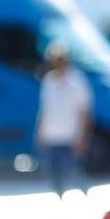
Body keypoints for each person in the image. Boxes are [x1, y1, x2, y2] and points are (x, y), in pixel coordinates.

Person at [34, 43, 91, 202]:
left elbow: (85, 112)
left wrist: (82, 137)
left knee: (73, 174)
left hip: (70, 136)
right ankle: (61, 203)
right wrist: (40, 131)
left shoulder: (77, 82)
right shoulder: (48, 81)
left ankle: (84, 198)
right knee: (53, 175)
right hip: (51, 135)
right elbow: (45, 108)